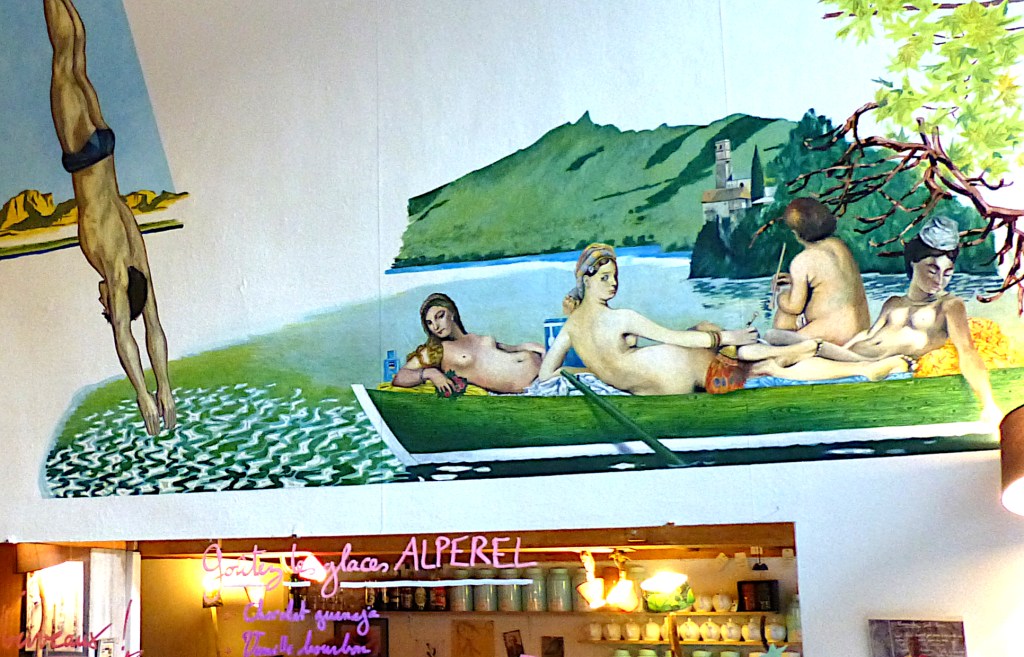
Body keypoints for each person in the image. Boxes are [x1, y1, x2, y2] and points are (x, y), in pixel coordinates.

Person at [44, 0, 175, 435]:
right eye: (108, 306)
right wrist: (144, 393)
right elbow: (126, 334)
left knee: (77, 60)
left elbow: (153, 326)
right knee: (63, 59)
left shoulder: (137, 258)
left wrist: (166, 387)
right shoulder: (116, 270)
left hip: (104, 145)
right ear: (117, 300)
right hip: (83, 153)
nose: (103, 303)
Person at [761, 215, 1001, 425]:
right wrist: (838, 350)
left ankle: (792, 359)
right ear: (913, 262)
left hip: (882, 363)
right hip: (849, 355)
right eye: (932, 270)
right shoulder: (893, 303)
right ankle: (799, 355)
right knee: (774, 336)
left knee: (777, 357)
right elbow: (866, 336)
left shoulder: (949, 305)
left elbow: (967, 351)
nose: (939, 281)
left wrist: (988, 402)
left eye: (947, 273)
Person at [538, 243, 851, 396]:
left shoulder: (570, 327)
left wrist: (586, 371)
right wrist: (726, 337)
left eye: (615, 277)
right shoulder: (621, 318)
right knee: (757, 366)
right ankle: (796, 353)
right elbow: (676, 338)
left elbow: (546, 375)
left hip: (655, 384)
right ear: (586, 280)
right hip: (685, 373)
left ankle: (786, 351)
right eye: (605, 278)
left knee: (705, 330)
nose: (613, 284)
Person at [391, 293, 545, 394]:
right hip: (535, 384)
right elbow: (400, 377)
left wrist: (538, 348)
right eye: (430, 323)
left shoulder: (474, 337)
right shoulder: (437, 350)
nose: (436, 326)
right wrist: (431, 373)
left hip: (541, 369)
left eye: (440, 316)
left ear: (452, 313)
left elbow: (512, 349)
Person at [771, 197, 871, 344]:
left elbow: (794, 307)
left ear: (795, 233)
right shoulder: (839, 246)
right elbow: (831, 280)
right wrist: (794, 281)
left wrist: (781, 297)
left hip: (832, 334)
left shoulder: (802, 260)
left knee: (775, 332)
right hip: (859, 329)